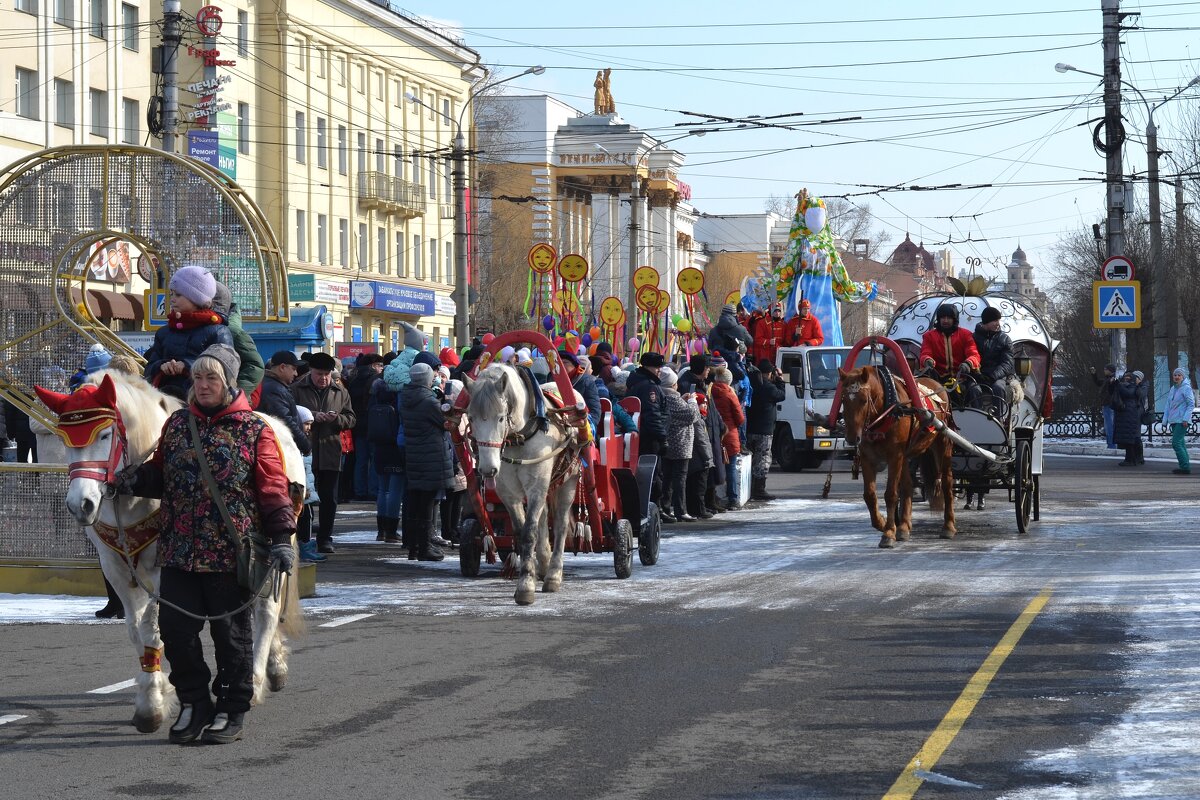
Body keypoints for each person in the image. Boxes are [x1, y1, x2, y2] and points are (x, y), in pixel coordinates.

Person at [113, 344, 296, 745]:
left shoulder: (254, 430)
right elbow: (161, 475)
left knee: (231, 637)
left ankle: (231, 709)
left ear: (230, 383)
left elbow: (273, 489)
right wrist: (134, 480)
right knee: (177, 633)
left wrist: (282, 539)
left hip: (230, 553)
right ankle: (195, 703)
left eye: (212, 378)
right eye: (197, 378)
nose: (203, 385)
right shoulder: (178, 425)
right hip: (179, 551)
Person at [291, 351, 355, 554]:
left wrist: (336, 419)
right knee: (303, 498)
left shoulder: (340, 391)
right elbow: (288, 415)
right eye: (319, 374)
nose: (323, 378)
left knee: (330, 499)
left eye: (327, 374)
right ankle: (302, 538)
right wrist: (310, 417)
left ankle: (325, 537)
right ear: (311, 371)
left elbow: (351, 418)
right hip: (304, 453)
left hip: (330, 451)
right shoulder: (296, 389)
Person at [142, 266, 234, 396]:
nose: (172, 299)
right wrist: (161, 366)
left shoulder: (218, 332)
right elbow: (148, 369)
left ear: (197, 298)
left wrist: (187, 366)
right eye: (171, 294)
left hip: (203, 402)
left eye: (178, 295)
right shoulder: (164, 332)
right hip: (164, 398)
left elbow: (225, 371)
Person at [398, 362, 454, 561]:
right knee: (427, 505)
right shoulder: (428, 402)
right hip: (431, 456)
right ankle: (425, 548)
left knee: (416, 503)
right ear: (427, 379)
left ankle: (414, 546)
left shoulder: (407, 398)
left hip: (415, 455)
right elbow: (446, 423)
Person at [370, 361, 406, 544]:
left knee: (382, 489)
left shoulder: (376, 394)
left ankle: (381, 530)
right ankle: (391, 530)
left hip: (379, 446)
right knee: (395, 491)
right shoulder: (398, 395)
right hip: (395, 446)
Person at [627, 351, 667, 507]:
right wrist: (662, 437)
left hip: (645, 435)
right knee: (653, 474)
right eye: (657, 367)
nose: (659, 370)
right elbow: (652, 414)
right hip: (650, 438)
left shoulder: (642, 382)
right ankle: (653, 507)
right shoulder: (649, 387)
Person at [659, 367, 699, 523]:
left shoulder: (664, 396)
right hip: (680, 443)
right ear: (672, 384)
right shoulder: (672, 398)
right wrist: (692, 402)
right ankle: (681, 510)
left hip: (668, 443)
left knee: (667, 478)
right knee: (679, 478)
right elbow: (692, 415)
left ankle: (666, 508)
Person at [919, 303, 980, 404]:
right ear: (939, 319)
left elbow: (974, 354)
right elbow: (925, 353)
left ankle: (976, 419)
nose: (945, 320)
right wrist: (927, 360)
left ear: (954, 319)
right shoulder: (929, 336)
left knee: (975, 390)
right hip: (938, 379)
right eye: (943, 318)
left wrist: (968, 363)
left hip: (963, 378)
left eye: (949, 318)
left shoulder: (966, 335)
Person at [258, 351, 310, 457]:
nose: (296, 374)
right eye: (294, 369)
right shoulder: (274, 389)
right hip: (279, 450)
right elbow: (285, 421)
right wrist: (305, 445)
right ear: (282, 367)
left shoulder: (273, 385)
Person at [747, 359, 786, 501]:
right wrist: (781, 380)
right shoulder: (768, 388)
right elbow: (781, 395)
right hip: (764, 430)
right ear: (769, 373)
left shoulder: (753, 383)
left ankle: (749, 488)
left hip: (750, 428)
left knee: (751, 459)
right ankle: (759, 489)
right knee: (763, 459)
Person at [348, 353, 384, 501]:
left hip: (357, 424)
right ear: (373, 365)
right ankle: (373, 490)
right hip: (372, 423)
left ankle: (359, 490)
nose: (381, 368)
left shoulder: (352, 378)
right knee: (374, 458)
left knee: (360, 460)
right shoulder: (375, 380)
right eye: (379, 365)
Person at [711, 365, 746, 509]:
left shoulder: (709, 391)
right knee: (731, 467)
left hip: (713, 435)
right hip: (729, 434)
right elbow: (740, 418)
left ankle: (714, 498)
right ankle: (733, 499)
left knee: (713, 467)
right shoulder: (730, 394)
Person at [295, 406, 325, 563]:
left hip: (307, 487)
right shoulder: (298, 444)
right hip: (303, 488)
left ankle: (305, 545)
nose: (309, 428)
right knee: (305, 518)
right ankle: (304, 546)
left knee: (308, 516)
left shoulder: (304, 442)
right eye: (306, 423)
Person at [972, 306, 1015, 407]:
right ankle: (976, 418)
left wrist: (992, 376)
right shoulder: (973, 338)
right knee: (973, 389)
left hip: (997, 377)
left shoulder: (1004, 339)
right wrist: (977, 375)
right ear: (987, 321)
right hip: (978, 376)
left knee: (998, 388)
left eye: (998, 320)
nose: (998, 324)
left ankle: (998, 419)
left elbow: (1007, 363)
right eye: (995, 320)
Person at [706, 304, 754, 380]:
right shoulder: (741, 329)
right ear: (735, 315)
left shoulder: (713, 331)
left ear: (722, 314)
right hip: (738, 368)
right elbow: (750, 341)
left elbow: (709, 347)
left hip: (718, 370)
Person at [1113, 370, 1148, 467]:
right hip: (1133, 413)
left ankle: (1138, 457)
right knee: (1135, 437)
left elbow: (1140, 395)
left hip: (1136, 413)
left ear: (1140, 379)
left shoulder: (1141, 386)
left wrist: (1138, 385)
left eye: (1135, 377)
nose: (1133, 379)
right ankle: (1137, 458)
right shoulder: (1131, 386)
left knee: (1135, 436)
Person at [1164, 367, 1194, 475]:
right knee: (1180, 443)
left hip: (1182, 420)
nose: (1176, 377)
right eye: (1175, 375)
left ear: (1183, 376)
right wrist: (1165, 420)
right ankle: (1185, 466)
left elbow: (1191, 404)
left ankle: (1185, 467)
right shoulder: (1173, 388)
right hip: (1174, 420)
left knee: (1176, 443)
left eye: (1179, 375)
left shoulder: (1186, 388)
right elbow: (1168, 405)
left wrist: (1185, 418)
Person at [1091, 363, 1120, 449]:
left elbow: (1108, 390)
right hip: (1108, 404)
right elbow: (1098, 382)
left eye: (1105, 369)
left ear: (1110, 371)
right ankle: (1112, 444)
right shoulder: (1108, 379)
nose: (1104, 371)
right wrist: (1094, 374)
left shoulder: (1112, 380)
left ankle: (1111, 444)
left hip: (1108, 404)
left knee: (1109, 425)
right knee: (1109, 424)